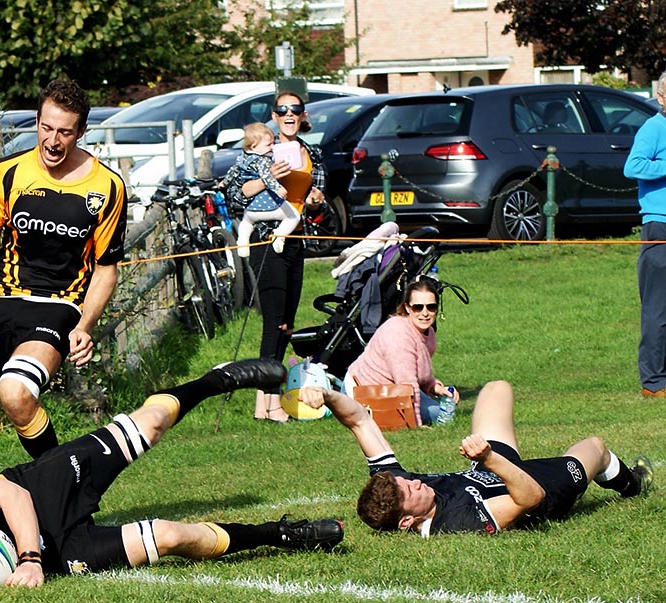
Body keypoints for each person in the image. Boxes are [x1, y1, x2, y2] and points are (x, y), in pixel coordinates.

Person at [0, 358, 344, 586]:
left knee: (150, 424)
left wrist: (27, 557)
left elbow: (9, 497)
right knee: (167, 537)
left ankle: (213, 382)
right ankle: (284, 533)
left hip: (38, 490)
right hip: (57, 552)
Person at [0, 78, 127, 464]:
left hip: (57, 305)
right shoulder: (7, 173)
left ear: (81, 132)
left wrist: (84, 327)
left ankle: (59, 489)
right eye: (46, 127)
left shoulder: (107, 186)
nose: (53, 140)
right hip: (1, 299)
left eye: (65, 132)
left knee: (15, 392)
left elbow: (106, 270)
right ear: (36, 121)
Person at [299, 381, 652, 536]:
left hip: (489, 465)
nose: (414, 480)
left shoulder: (397, 486)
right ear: (407, 521)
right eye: (410, 491)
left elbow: (359, 419)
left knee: (497, 388)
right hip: (537, 488)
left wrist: (327, 395)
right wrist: (489, 458)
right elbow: (528, 498)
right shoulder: (460, 522)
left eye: (403, 480)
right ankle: (633, 483)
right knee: (595, 446)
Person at [226, 91, 326, 423]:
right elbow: (234, 196)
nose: (288, 114)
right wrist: (268, 179)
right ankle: (265, 403)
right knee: (273, 321)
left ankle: (274, 398)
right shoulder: (258, 155)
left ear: (302, 114)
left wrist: (314, 201)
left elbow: (317, 203)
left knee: (287, 324)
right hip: (264, 239)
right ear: (274, 115)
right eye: (282, 109)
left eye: (294, 109)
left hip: (295, 240)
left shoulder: (312, 153)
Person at [343, 277, 459, 426]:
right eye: (418, 307)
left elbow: (420, 373)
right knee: (437, 414)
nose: (425, 313)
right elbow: (407, 385)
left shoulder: (427, 332)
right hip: (366, 391)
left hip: (396, 388)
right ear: (407, 308)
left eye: (431, 307)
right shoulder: (398, 334)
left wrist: (437, 388)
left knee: (442, 411)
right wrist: (416, 424)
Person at [624, 71, 666, 398]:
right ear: (661, 97)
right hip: (659, 225)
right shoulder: (653, 127)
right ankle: (653, 383)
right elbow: (633, 166)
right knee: (657, 308)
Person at [217, 122, 299, 259]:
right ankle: (280, 236)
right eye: (269, 144)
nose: (272, 147)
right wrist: (277, 187)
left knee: (246, 223)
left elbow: (232, 172)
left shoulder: (241, 158)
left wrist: (223, 184)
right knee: (294, 216)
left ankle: (243, 242)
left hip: (252, 209)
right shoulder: (263, 160)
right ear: (253, 146)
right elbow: (267, 176)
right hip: (270, 206)